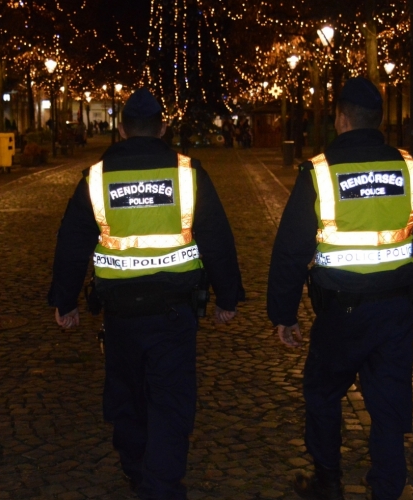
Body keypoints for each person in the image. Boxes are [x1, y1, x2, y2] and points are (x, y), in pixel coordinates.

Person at [48, 88, 242, 500]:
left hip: (120, 314)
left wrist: (65, 301)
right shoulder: (187, 174)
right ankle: (162, 484)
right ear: (163, 128)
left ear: (120, 129)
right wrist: (227, 298)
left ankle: (136, 469)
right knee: (170, 400)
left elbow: (72, 242)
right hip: (175, 312)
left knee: (127, 393)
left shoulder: (97, 178)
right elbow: (217, 239)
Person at [267, 77, 413, 500]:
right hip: (393, 309)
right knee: (388, 398)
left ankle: (328, 479)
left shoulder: (320, 172)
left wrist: (284, 314)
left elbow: (291, 250)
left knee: (323, 392)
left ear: (341, 119)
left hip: (340, 312)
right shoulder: (411, 169)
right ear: (378, 120)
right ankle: (387, 484)